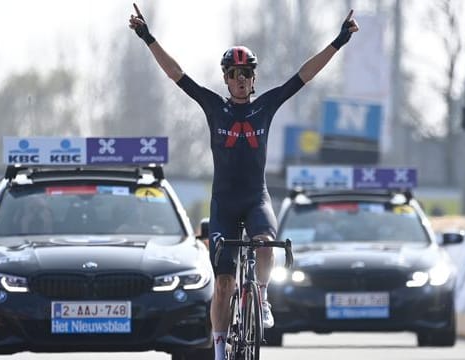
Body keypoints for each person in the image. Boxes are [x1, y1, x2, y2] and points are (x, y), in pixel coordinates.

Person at [128, 4, 359, 359]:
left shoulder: (265, 106)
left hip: (255, 200)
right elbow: (176, 74)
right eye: (233, 73)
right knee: (222, 284)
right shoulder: (213, 106)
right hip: (223, 203)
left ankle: (261, 297)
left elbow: (304, 75)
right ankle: (220, 349)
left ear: (253, 79)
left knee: (265, 242)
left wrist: (339, 42)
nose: (239, 79)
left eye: (246, 73)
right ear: (225, 78)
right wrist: (148, 38)